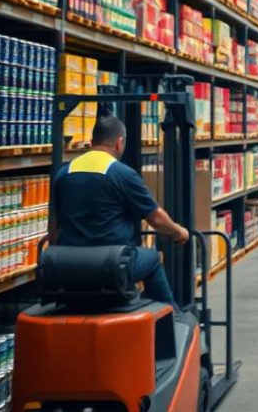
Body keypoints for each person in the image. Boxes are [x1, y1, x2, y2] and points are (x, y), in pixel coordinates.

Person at [50, 115, 190, 305]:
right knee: (152, 259)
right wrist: (178, 231)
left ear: (92, 142)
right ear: (119, 143)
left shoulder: (63, 173)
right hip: (112, 265)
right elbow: (156, 219)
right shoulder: (122, 174)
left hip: (68, 266)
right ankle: (171, 318)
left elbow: (54, 227)